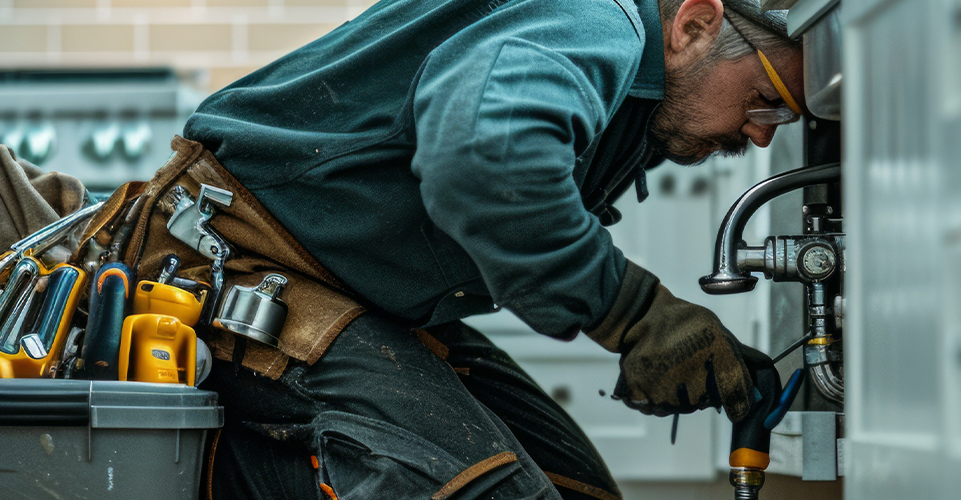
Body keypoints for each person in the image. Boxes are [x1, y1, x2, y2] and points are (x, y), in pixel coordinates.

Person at [181, 0, 805, 498]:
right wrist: (636, 315)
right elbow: (486, 164)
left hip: (354, 295)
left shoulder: (611, 62)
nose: (758, 132)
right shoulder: (594, 21)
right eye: (767, 99)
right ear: (696, 23)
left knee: (574, 489)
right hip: (238, 261)